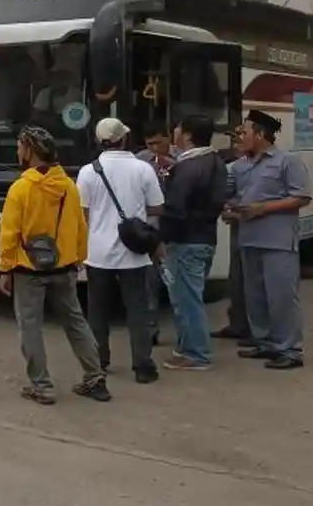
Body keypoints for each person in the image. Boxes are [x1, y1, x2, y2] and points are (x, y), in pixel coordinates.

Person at [0, 126, 109, 404]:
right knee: (75, 321)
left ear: (30, 151)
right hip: (64, 267)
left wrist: (5, 268)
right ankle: (95, 377)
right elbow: (80, 227)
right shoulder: (68, 187)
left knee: (31, 327)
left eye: (19, 146)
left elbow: (10, 233)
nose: (17, 152)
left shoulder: (21, 188)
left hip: (28, 269)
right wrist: (78, 259)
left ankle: (42, 386)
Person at [76, 118, 163, 383]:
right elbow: (158, 208)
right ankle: (143, 366)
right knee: (137, 310)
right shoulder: (143, 169)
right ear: (124, 139)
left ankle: (99, 361)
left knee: (97, 311)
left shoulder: (88, 171)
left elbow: (83, 213)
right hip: (133, 251)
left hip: (98, 252)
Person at [224, 110, 311, 370]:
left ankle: (290, 350)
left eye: (245, 131)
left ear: (260, 134)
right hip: (249, 239)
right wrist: (231, 209)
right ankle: (266, 343)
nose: (240, 136)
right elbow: (231, 195)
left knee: (282, 297)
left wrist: (264, 208)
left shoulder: (288, 162)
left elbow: (302, 197)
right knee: (256, 297)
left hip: (278, 241)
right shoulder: (240, 166)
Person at [160, 115, 228, 371]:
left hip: (185, 240)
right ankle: (186, 347)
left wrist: (162, 238)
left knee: (186, 299)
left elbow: (175, 208)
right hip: (206, 237)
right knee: (189, 296)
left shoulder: (188, 167)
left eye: (177, 127)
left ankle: (197, 353)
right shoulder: (215, 162)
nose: (174, 131)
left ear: (187, 135)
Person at [136, 121, 181, 347]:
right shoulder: (140, 160)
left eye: (157, 142)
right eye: (149, 144)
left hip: (176, 228)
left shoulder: (181, 157)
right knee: (149, 281)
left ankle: (184, 330)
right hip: (152, 228)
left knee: (177, 281)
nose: (153, 148)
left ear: (168, 139)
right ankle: (151, 328)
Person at [213, 125, 254, 343]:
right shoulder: (233, 167)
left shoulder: (261, 167)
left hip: (256, 229)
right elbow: (224, 195)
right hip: (239, 230)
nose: (236, 145)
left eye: (240, 140)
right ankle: (238, 323)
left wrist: (236, 211)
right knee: (237, 279)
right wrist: (225, 208)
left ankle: (256, 330)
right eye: (234, 141)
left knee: (253, 281)